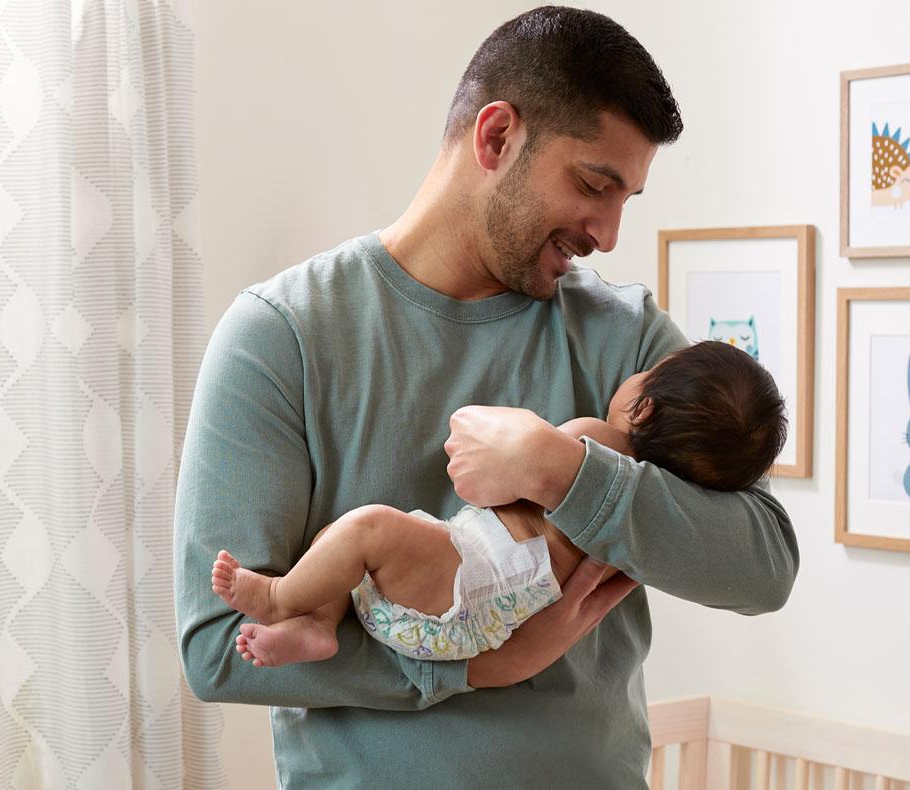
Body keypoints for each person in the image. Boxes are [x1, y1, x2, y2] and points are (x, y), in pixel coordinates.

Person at [174, 7, 799, 788]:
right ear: (496, 137)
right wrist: (476, 670)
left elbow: (763, 565)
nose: (607, 233)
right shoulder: (281, 336)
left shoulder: (630, 341)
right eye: (592, 185)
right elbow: (218, 650)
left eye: (626, 200)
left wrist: (563, 471)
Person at [209, 340, 787, 667]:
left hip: (473, 574)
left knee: (358, 532)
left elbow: (485, 483)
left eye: (647, 374)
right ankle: (318, 625)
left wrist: (532, 450)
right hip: (483, 619)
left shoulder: (594, 441)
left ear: (649, 410)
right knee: (348, 544)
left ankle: (283, 598)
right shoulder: (650, 518)